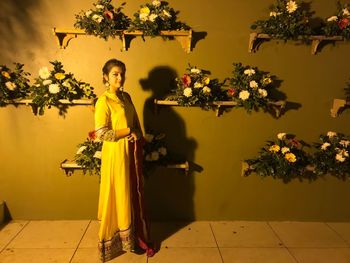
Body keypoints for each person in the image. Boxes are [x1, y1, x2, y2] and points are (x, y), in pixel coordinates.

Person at [94, 59, 154, 262]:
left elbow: (136, 125)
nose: (120, 78)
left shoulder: (126, 97)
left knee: (129, 192)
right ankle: (115, 240)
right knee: (117, 193)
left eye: (122, 74)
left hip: (130, 153)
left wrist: (136, 133)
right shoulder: (104, 101)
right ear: (105, 77)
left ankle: (132, 239)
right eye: (115, 74)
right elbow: (101, 133)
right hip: (115, 155)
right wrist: (126, 131)